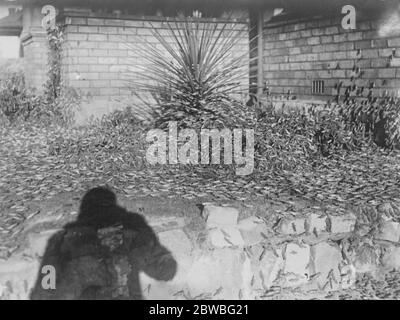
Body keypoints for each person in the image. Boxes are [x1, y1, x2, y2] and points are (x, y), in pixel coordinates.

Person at [31, 187, 177, 300]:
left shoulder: (61, 240)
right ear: (112, 206)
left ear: (84, 209)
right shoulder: (131, 235)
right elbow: (165, 270)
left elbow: (44, 288)